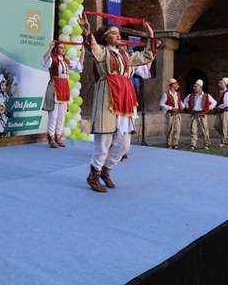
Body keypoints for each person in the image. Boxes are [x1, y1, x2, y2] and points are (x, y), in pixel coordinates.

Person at [78, 13, 156, 193]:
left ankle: (106, 170)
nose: (118, 35)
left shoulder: (126, 55)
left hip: (125, 100)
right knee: (103, 143)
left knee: (123, 145)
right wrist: (87, 31)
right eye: (113, 33)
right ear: (106, 38)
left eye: (118, 33)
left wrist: (150, 35)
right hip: (108, 97)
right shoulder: (102, 52)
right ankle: (93, 175)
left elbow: (147, 56)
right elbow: (92, 46)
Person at [42, 41, 83, 148]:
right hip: (55, 86)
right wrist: (50, 49)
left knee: (61, 116)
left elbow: (79, 66)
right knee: (53, 116)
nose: (63, 49)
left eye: (64, 48)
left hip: (64, 88)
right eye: (60, 47)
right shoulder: (53, 59)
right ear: (56, 49)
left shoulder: (66, 61)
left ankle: (58, 137)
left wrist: (83, 52)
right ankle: (51, 138)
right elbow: (44, 61)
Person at [183, 79, 217, 150]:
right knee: (193, 130)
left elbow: (214, 102)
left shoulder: (206, 95)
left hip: (202, 114)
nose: (194, 88)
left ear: (200, 87)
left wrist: (208, 109)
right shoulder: (191, 95)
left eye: (195, 86)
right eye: (194, 86)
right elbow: (185, 101)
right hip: (194, 114)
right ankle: (193, 144)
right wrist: (188, 108)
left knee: (204, 130)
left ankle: (207, 144)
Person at [158, 78, 183, 149]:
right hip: (170, 114)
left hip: (178, 113)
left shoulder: (178, 94)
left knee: (177, 129)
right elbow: (161, 104)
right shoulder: (166, 94)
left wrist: (183, 106)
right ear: (173, 85)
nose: (178, 85)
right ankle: (169, 143)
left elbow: (179, 102)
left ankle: (175, 143)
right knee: (170, 129)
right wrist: (171, 108)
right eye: (176, 84)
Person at [214, 77, 228, 147]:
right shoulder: (221, 92)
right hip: (221, 110)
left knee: (224, 126)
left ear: (225, 84)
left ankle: (224, 142)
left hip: (226, 111)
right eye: (219, 83)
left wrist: (218, 106)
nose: (219, 84)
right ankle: (226, 137)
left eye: (221, 83)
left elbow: (226, 104)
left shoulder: (227, 93)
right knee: (216, 125)